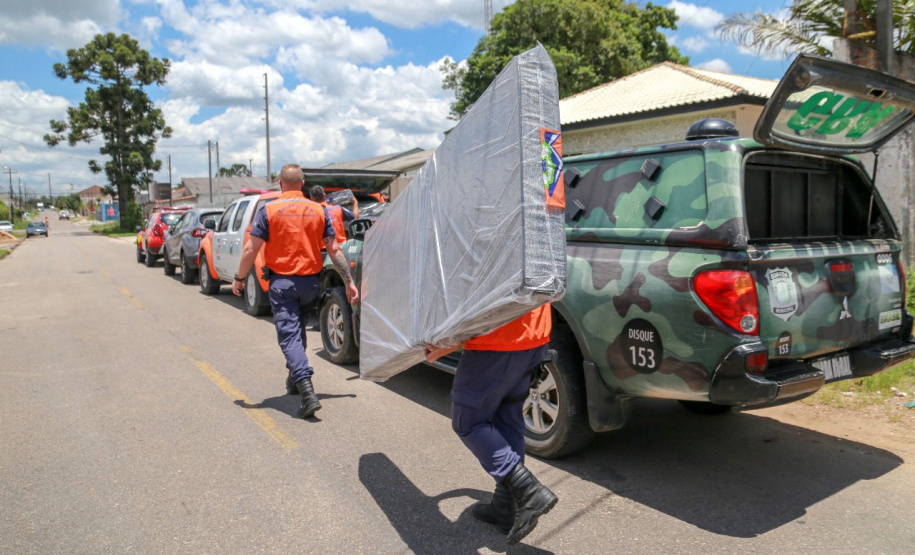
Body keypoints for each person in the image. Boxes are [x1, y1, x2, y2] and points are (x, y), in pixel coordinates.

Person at [233, 164, 358, 419]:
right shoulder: (319, 210)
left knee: (289, 336)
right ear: (302, 184)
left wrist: (239, 278)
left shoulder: (268, 211)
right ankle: (293, 380)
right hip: (310, 285)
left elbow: (251, 249)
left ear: (281, 184)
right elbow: (334, 249)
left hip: (283, 285)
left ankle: (307, 391)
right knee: (298, 330)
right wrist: (349, 282)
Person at [424, 304, 557, 546]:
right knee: (509, 417)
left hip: (497, 340)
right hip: (534, 334)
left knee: (468, 422)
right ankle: (505, 508)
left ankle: (529, 491)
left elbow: (484, 293)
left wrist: (451, 342)